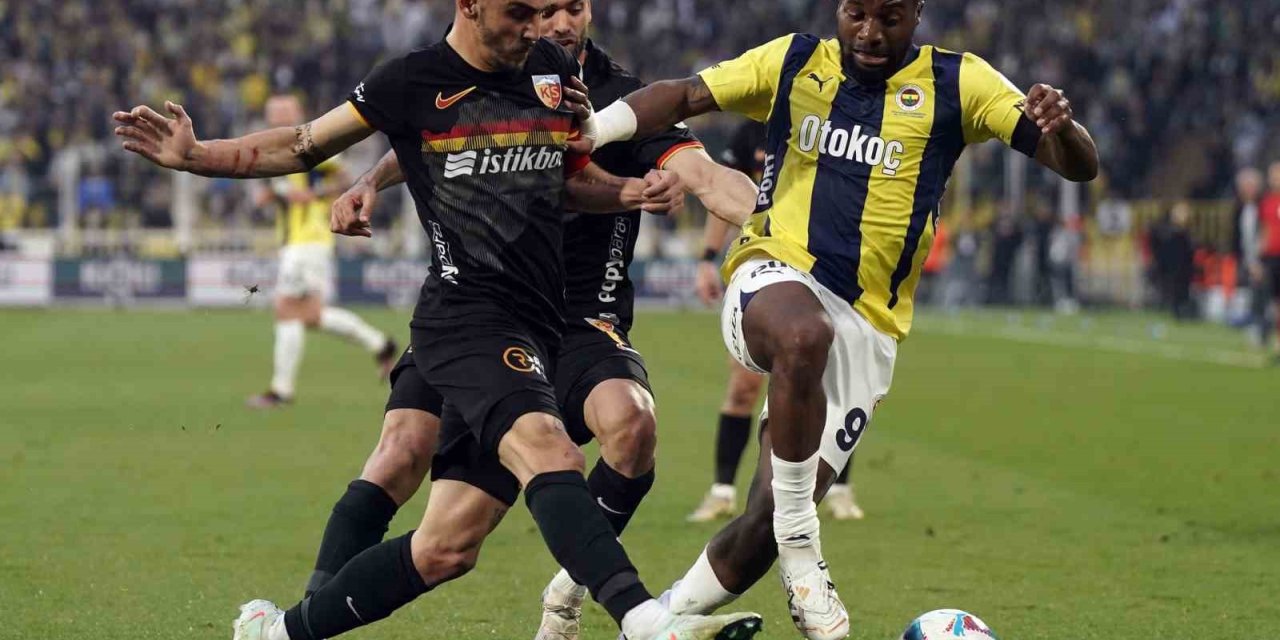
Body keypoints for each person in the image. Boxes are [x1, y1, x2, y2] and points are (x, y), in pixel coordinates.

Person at [112, 2, 763, 639]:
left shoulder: (552, 72)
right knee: (541, 448)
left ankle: (278, 632)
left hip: (539, 325)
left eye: (548, 12)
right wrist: (198, 156)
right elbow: (304, 143)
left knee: (447, 546)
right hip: (466, 315)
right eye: (521, 13)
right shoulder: (409, 80)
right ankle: (646, 622)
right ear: (470, 5)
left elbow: (562, 175)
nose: (536, 28)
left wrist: (627, 191)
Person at [575, 0, 1100, 637]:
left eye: (889, 18)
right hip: (774, 274)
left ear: (917, 13)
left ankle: (661, 621)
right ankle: (803, 546)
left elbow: (1078, 166)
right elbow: (683, 95)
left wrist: (1062, 127)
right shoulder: (794, 61)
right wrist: (594, 130)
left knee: (761, 523)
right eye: (857, 14)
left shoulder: (961, 82)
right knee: (803, 335)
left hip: (868, 326)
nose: (870, 33)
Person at [305, 3, 760, 640]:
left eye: (571, 6)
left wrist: (778, 235)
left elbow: (702, 173)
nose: (557, 22)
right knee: (402, 456)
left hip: (578, 317)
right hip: (477, 306)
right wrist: (371, 181)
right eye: (541, 10)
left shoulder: (621, 98)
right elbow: (439, 129)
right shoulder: (486, 65)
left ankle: (574, 589)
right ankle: (302, 617)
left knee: (631, 425)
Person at [688, 119, 862, 524]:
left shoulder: (833, 120)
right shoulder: (749, 130)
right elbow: (722, 193)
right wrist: (707, 259)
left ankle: (838, 488)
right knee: (744, 384)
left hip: (825, 265)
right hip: (763, 261)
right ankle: (722, 491)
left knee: (831, 379)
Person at [245, 95, 398, 409]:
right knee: (310, 315)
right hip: (300, 242)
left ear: (296, 113)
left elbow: (344, 176)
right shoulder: (282, 151)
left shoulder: (309, 145)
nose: (275, 118)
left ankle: (281, 391)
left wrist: (313, 194)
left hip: (308, 241)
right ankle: (381, 344)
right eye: (272, 113)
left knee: (286, 310)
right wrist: (277, 194)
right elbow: (273, 195)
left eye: (282, 112)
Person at [1231, 168, 1264, 343]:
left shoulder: (1263, 206)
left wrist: (1258, 260)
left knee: (1262, 294)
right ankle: (1250, 324)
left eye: (1250, 186)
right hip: (1245, 258)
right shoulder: (1240, 208)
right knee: (1248, 291)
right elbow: (1238, 236)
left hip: (1262, 258)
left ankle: (1260, 328)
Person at [1257, 162, 1280, 361]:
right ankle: (1277, 341)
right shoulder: (1267, 202)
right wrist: (1259, 258)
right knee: (1274, 301)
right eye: (1273, 175)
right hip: (1271, 257)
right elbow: (1264, 230)